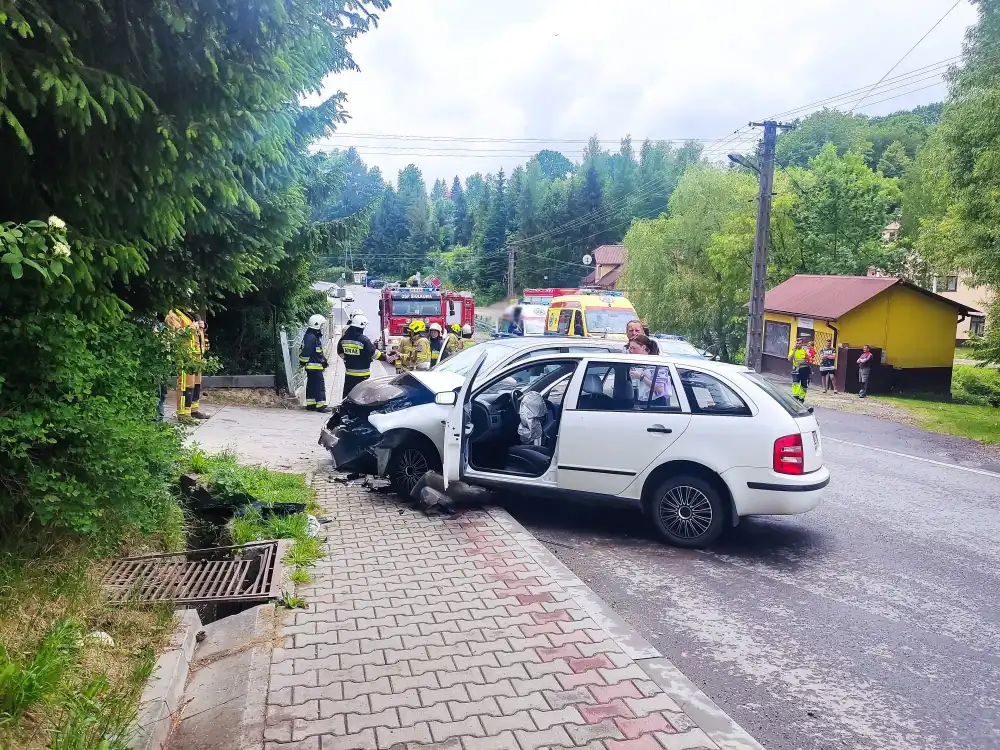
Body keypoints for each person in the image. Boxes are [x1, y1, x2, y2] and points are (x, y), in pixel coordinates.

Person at [337, 313, 384, 400]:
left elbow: (339, 352)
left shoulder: (344, 338)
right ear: (362, 326)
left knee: (347, 394)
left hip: (349, 373)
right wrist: (386, 357)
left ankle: (344, 410)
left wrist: (348, 358)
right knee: (361, 396)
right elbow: (374, 354)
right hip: (362, 374)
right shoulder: (364, 340)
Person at [165, 308, 197, 422]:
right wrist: (191, 328)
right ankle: (182, 414)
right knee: (184, 384)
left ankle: (191, 412)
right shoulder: (172, 314)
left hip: (192, 354)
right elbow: (176, 334)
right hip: (183, 355)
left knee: (192, 384)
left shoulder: (186, 314)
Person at [627, 333, 670, 405]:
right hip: (641, 400)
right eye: (630, 348)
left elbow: (660, 389)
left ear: (643, 347)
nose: (631, 351)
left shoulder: (657, 364)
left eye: (634, 348)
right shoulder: (637, 363)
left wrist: (641, 377)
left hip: (656, 403)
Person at [299, 314, 330, 412]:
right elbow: (306, 352)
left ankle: (311, 404)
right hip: (314, 366)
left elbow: (317, 352)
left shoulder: (311, 336)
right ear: (316, 325)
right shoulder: (311, 337)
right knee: (319, 385)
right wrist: (303, 362)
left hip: (313, 365)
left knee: (311, 385)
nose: (321, 327)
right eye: (321, 325)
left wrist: (323, 361)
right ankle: (321, 405)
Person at [189, 313, 210, 420]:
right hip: (187, 356)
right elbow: (177, 333)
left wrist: (203, 326)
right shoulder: (175, 315)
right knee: (187, 385)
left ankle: (194, 410)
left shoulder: (194, 315)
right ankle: (184, 413)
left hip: (198, 355)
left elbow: (198, 335)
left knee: (197, 384)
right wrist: (191, 328)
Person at [789, 337, 813, 403]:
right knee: (795, 384)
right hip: (796, 370)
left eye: (799, 343)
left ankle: (801, 399)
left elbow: (810, 360)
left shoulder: (805, 350)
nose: (798, 344)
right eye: (797, 343)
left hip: (805, 370)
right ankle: (795, 398)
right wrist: (794, 351)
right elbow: (789, 359)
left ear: (802, 344)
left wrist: (804, 361)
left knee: (804, 385)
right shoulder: (793, 350)